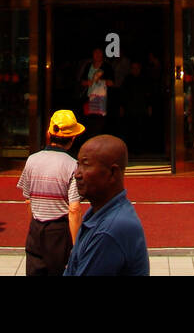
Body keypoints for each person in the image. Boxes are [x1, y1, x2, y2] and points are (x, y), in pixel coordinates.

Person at [63, 134, 149, 276]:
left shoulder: (110, 230)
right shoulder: (97, 212)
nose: (77, 174)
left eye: (85, 165)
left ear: (112, 173)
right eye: (78, 165)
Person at [18, 109, 85, 276]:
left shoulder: (32, 160)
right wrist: (76, 245)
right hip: (59, 231)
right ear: (73, 138)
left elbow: (28, 200)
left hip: (36, 228)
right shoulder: (72, 165)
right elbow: (74, 209)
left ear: (49, 133)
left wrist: (33, 226)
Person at [77, 47, 109, 140]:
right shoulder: (88, 66)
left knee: (99, 123)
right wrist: (89, 82)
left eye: (99, 53)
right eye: (95, 53)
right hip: (89, 97)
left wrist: (99, 80)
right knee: (89, 121)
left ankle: (98, 141)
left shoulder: (106, 67)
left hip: (101, 98)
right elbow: (82, 81)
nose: (98, 55)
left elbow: (112, 82)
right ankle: (90, 141)